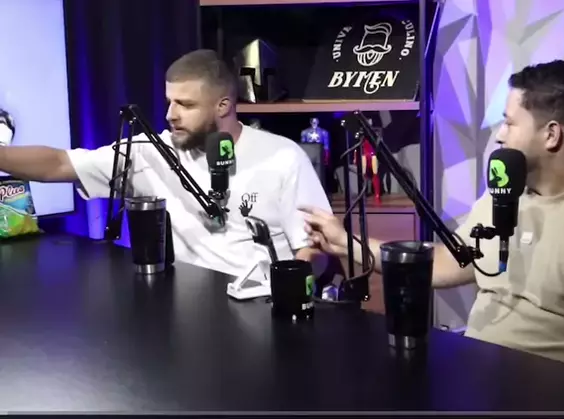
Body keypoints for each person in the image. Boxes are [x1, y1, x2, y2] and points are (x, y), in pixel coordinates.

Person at [300, 60, 564, 376]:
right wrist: (347, 244)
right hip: (475, 376)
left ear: (552, 135)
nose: (499, 136)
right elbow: (445, 263)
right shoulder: (507, 193)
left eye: (509, 123)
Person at [0, 49, 330, 280]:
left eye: (185, 104)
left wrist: (285, 290)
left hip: (263, 309)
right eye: (169, 102)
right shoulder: (151, 152)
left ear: (223, 105)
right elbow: (58, 164)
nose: (171, 114)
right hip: (183, 313)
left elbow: (316, 253)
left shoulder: (283, 157)